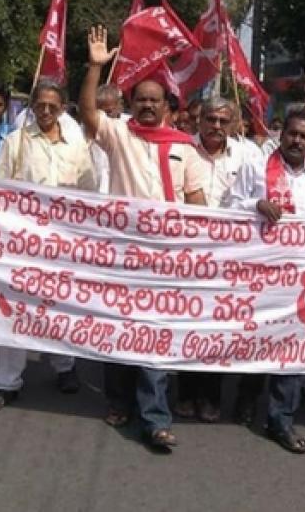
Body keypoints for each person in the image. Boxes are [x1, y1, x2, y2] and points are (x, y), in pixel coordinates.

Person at [80, 25, 210, 450]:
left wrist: (204, 242)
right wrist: (96, 69)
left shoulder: (185, 147)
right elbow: (88, 113)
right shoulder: (120, 135)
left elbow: (197, 201)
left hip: (167, 258)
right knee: (119, 329)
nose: (149, 106)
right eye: (141, 100)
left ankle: (155, 419)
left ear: (167, 106)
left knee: (154, 335)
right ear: (131, 106)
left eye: (155, 100)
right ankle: (118, 402)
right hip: (122, 254)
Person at [228, 111, 305, 454]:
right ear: (282, 135)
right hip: (263, 271)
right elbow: (229, 206)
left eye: (304, 137)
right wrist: (256, 204)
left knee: (292, 347)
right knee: (260, 340)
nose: (297, 141)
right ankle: (247, 398)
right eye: (292, 134)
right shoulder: (256, 167)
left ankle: (281, 419)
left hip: (303, 276)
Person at [0, 79, 97, 411]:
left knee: (59, 305)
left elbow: (87, 194)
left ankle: (64, 367)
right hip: (23, 240)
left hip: (62, 243)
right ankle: (6, 380)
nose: (45, 111)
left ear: (63, 108)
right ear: (32, 106)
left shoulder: (76, 146)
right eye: (40, 105)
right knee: (15, 308)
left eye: (52, 106)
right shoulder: (16, 142)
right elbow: (0, 191)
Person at [175, 96, 262, 423]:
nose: (216, 126)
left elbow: (258, 199)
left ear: (236, 124)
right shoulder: (181, 149)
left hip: (229, 258)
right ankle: (185, 392)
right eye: (210, 119)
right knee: (187, 324)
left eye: (224, 121)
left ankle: (211, 395)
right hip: (187, 253)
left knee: (218, 328)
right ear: (199, 120)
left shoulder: (250, 156)